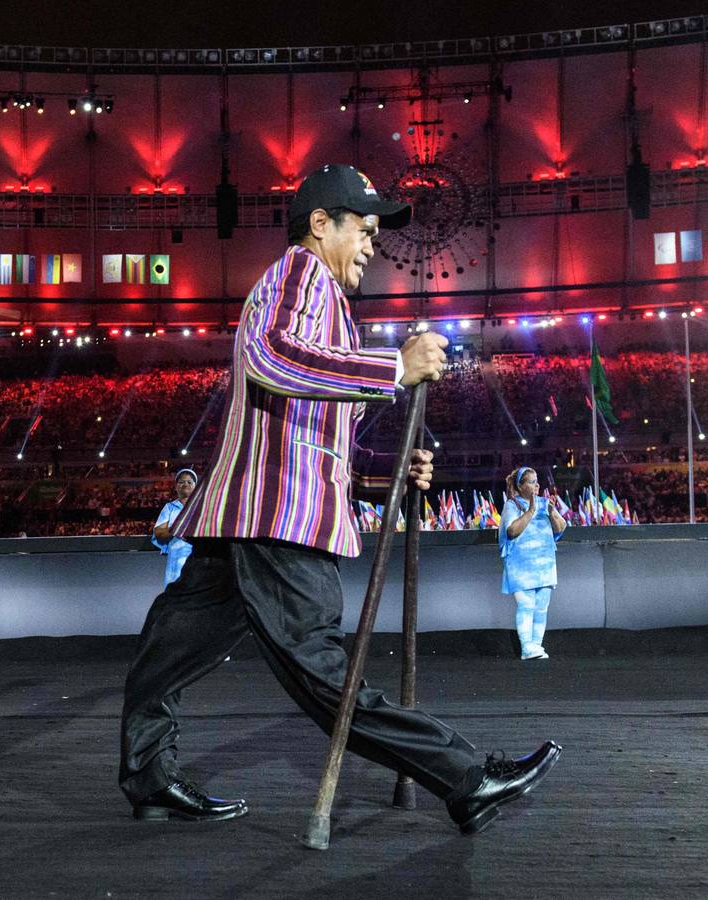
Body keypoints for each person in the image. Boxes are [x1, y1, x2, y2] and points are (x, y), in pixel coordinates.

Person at [117, 164, 560, 836]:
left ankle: (148, 775)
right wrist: (394, 367)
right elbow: (269, 357)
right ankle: (467, 779)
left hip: (243, 516)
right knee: (327, 682)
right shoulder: (303, 272)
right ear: (321, 223)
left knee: (165, 652)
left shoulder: (328, 304)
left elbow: (320, 442)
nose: (374, 246)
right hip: (275, 524)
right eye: (366, 229)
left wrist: (388, 472)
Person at [500, 467, 566, 660]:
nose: (536, 485)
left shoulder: (545, 503)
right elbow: (511, 531)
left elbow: (561, 528)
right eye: (530, 482)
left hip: (544, 564)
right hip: (521, 566)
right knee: (526, 605)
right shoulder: (511, 506)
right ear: (520, 486)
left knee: (541, 607)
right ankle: (526, 647)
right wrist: (530, 510)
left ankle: (536, 646)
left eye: (536, 481)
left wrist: (553, 511)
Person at [151, 469, 197, 587]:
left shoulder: (202, 507)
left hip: (199, 559)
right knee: (175, 594)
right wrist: (178, 529)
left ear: (196, 486)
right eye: (181, 482)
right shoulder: (169, 508)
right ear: (176, 487)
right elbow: (159, 533)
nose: (185, 484)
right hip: (176, 561)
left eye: (189, 482)